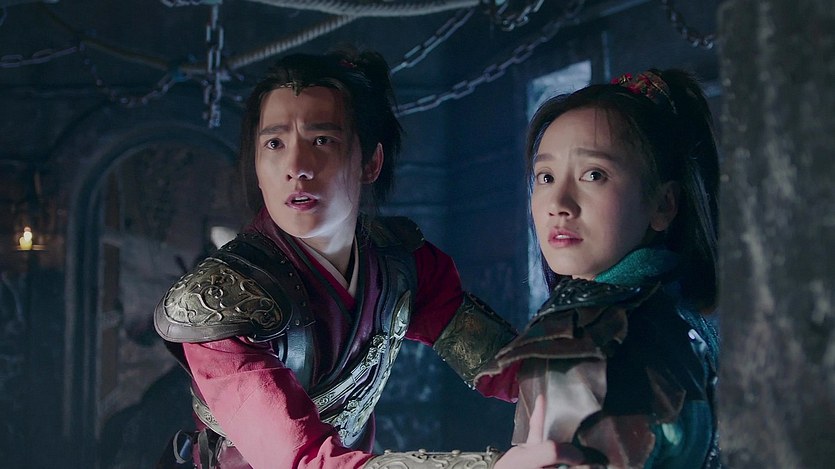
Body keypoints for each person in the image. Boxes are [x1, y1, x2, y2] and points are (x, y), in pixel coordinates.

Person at [154, 48, 580, 469]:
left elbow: (506, 366)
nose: (296, 166)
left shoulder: (402, 263)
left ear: (371, 162)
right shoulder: (219, 306)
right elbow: (303, 462)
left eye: (322, 140)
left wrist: (582, 380)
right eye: (275, 143)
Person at [478, 69, 721, 468]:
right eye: (545, 176)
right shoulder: (690, 319)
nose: (559, 203)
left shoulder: (578, 334)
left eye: (594, 175)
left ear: (663, 204)